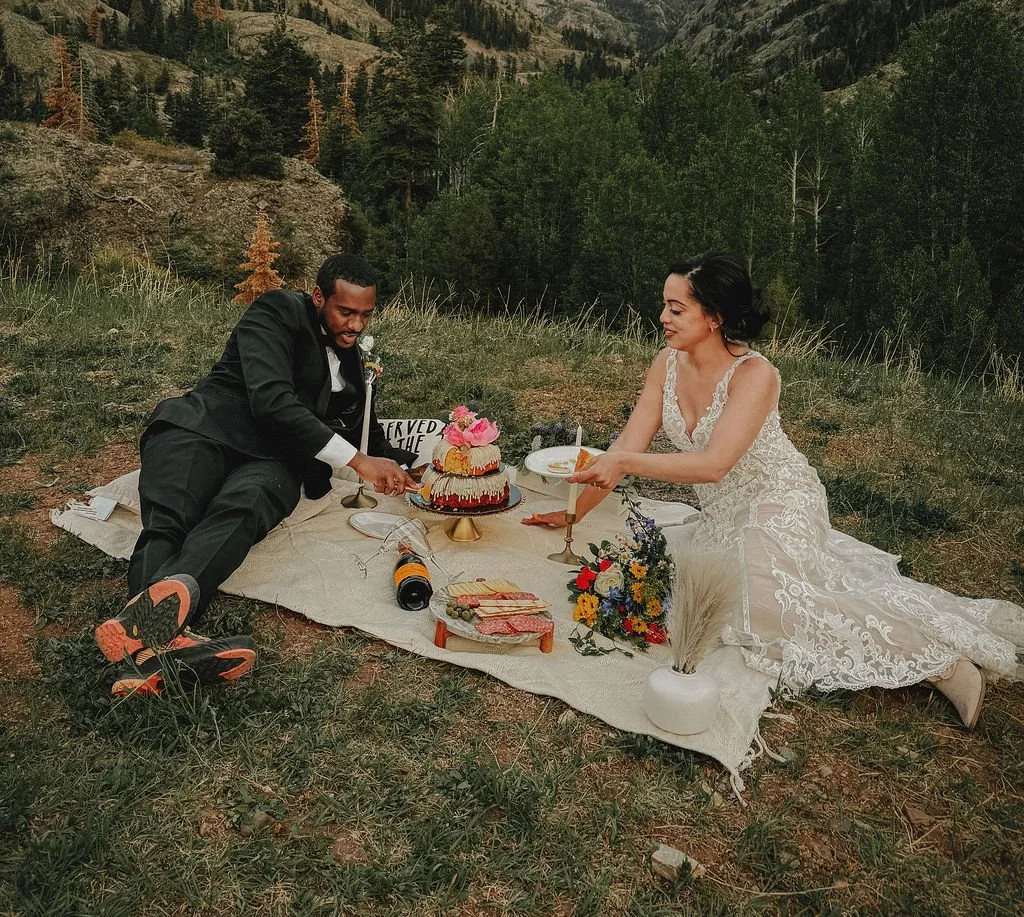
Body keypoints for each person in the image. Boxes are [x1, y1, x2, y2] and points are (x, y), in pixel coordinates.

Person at [524, 253, 1023, 727]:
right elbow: (625, 447)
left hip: (779, 499)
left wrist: (623, 461)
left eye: (676, 308)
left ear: (715, 316)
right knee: (695, 600)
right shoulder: (666, 364)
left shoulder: (756, 375)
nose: (663, 317)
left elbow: (714, 465)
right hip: (722, 516)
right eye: (664, 305)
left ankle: (940, 662)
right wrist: (574, 514)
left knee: (761, 608)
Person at [95, 252, 420, 696]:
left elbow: (366, 431)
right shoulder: (276, 310)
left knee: (243, 512)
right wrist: (357, 463)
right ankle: (155, 648)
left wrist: (406, 465)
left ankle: (147, 652)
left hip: (275, 461)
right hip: (204, 428)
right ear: (319, 296)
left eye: (366, 315)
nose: (356, 325)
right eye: (346, 312)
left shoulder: (353, 363)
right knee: (171, 522)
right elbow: (271, 401)